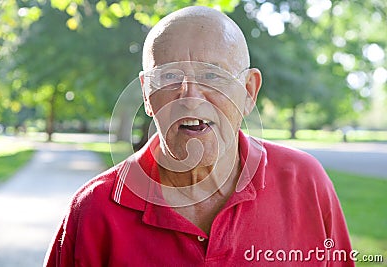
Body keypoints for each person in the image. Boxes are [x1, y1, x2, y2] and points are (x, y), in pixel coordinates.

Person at [44, 6, 354, 266]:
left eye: (211, 76)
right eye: (169, 77)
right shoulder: (93, 210)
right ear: (146, 94)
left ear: (248, 91)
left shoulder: (305, 181)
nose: (189, 98)